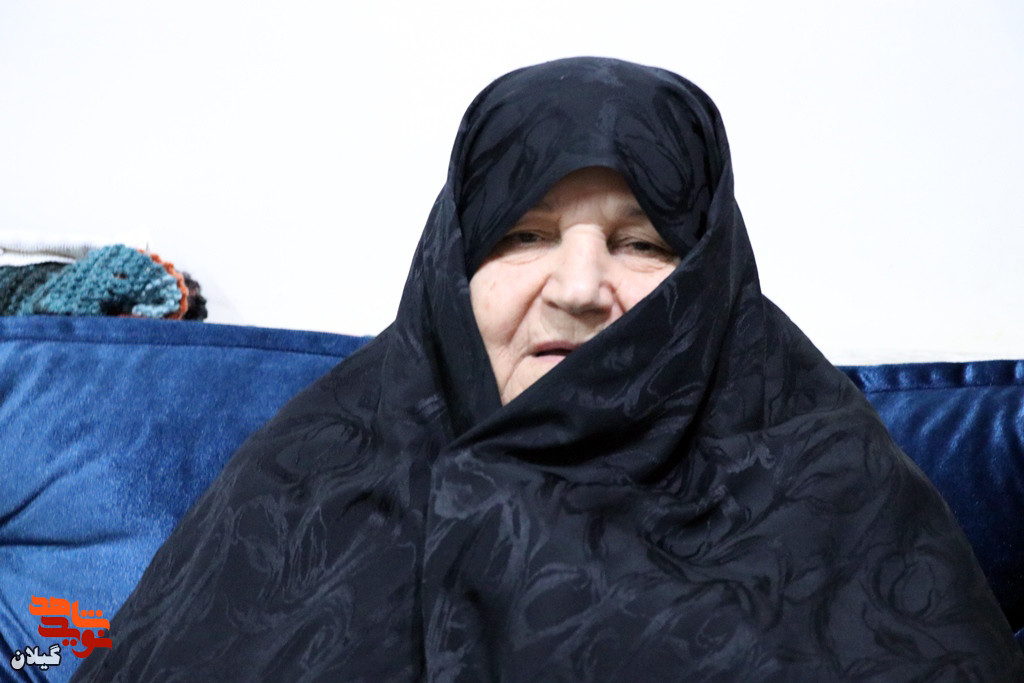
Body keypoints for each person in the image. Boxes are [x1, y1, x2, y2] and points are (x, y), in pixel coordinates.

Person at [72, 57, 1023, 681]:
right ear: (452, 267)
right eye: (524, 235)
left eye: (642, 244)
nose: (577, 286)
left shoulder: (833, 479)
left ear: (711, 278)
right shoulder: (305, 474)